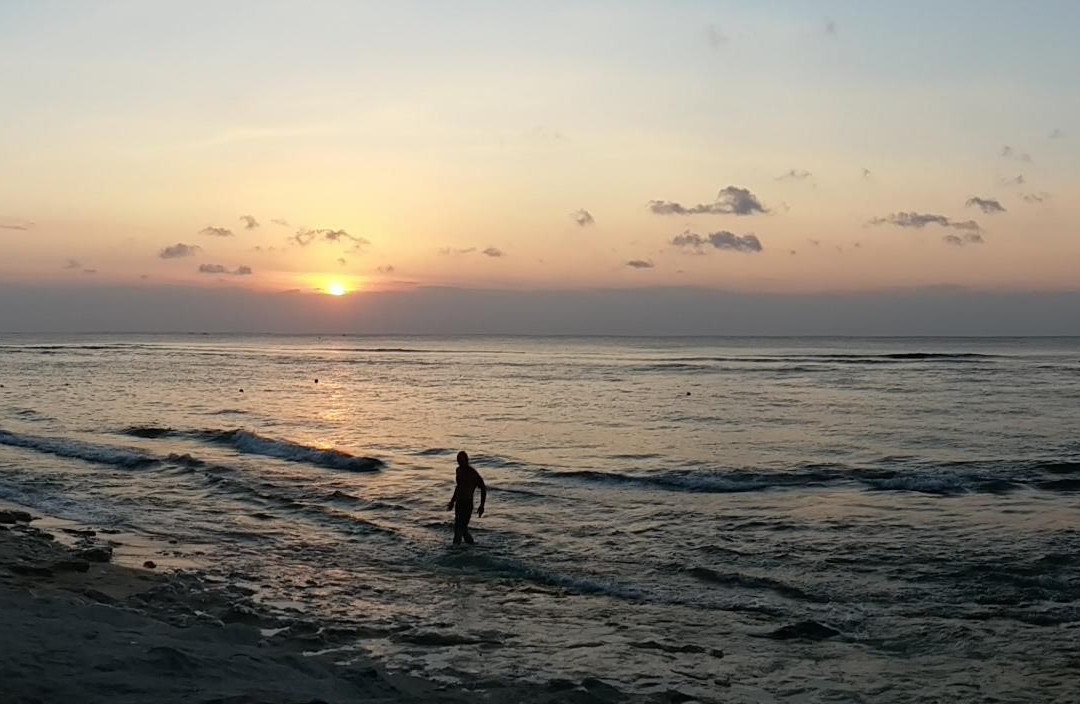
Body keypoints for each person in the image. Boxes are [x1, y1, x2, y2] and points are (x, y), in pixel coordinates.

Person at [447, 450, 486, 544]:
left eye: (461, 460)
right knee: (462, 529)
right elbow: (458, 487)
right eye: (458, 461)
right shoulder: (458, 470)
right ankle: (472, 545)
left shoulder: (472, 473)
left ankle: (455, 550)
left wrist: (482, 506)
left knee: (459, 529)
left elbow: (483, 488)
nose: (460, 463)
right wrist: (452, 501)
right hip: (459, 503)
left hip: (467, 504)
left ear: (466, 460)